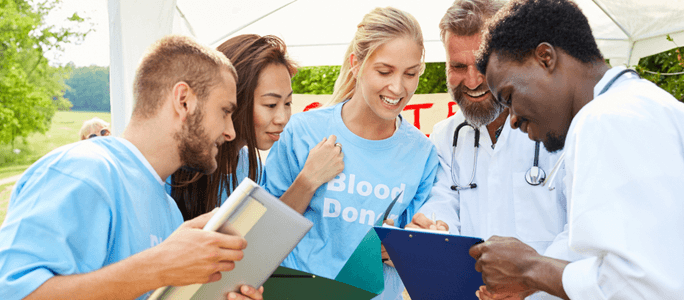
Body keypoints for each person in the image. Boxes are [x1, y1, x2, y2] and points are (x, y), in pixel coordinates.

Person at [470, 0, 684, 299]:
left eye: (509, 96)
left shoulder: (607, 119)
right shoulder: (649, 108)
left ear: (545, 58)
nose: (512, 119)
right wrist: (533, 281)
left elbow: (645, 287)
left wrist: (530, 268)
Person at [0, 35, 264, 300]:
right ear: (184, 100)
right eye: (224, 111)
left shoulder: (170, 212)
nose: (230, 132)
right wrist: (158, 267)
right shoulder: (84, 170)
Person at [263, 7, 439, 300]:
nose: (398, 87)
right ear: (356, 64)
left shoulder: (423, 153)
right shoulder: (302, 132)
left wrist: (403, 249)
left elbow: (416, 258)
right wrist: (307, 181)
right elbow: (264, 236)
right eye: (384, 71)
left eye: (411, 73)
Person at [407, 1, 578, 298]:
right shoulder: (445, 136)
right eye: (458, 67)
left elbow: (582, 228)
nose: (472, 81)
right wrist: (433, 228)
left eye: (483, 66)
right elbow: (442, 205)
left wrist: (530, 278)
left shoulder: (562, 125)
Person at [169, 34, 343, 221]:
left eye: (288, 103)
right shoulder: (175, 165)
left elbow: (256, 237)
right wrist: (308, 180)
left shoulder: (253, 169)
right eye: (270, 104)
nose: (283, 119)